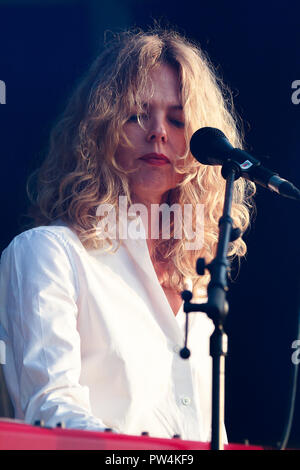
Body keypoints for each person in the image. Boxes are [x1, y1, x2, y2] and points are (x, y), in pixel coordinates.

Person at [0, 27, 255, 442]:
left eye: (177, 119)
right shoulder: (48, 253)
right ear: (98, 129)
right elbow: (50, 410)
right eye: (138, 114)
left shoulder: (198, 282)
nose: (159, 132)